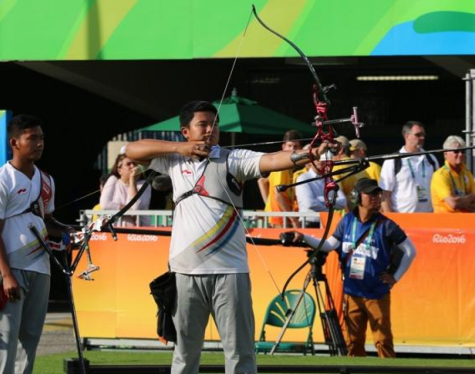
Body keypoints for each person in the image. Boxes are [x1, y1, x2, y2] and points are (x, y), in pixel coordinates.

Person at [125, 100, 336, 374]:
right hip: (185, 273)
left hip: (231, 273)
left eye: (214, 125)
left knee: (240, 354)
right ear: (185, 131)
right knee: (185, 354)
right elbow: (131, 149)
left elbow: (272, 160)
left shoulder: (232, 160)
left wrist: (309, 154)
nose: (210, 130)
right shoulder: (173, 160)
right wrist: (180, 148)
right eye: (202, 125)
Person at [0, 114, 73, 374]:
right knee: (6, 337)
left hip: (40, 266)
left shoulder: (47, 180)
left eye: (42, 138)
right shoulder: (0, 181)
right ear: (15, 142)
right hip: (9, 268)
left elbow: (47, 220)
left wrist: (68, 231)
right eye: (32, 138)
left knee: (30, 337)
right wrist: (7, 274)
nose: (39, 143)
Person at [286, 178, 416, 358]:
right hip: (352, 291)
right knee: (353, 342)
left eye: (378, 194)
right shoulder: (347, 221)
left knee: (383, 341)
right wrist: (303, 237)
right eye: (370, 194)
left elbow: (410, 250)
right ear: (357, 196)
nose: (376, 198)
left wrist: (395, 277)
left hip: (377, 293)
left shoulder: (386, 225)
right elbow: (329, 245)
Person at [380, 121, 439, 213]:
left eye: (423, 134)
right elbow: (385, 194)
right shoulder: (393, 160)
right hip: (403, 219)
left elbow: (438, 190)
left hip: (429, 219)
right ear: (407, 136)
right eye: (418, 135)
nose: (422, 138)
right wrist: (391, 220)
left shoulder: (431, 159)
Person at [257, 130, 303, 227]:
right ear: (283, 146)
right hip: (280, 220)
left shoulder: (285, 165)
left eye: (295, 146)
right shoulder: (283, 167)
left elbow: (262, 181)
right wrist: (293, 220)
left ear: (300, 149)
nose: (292, 150)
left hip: (278, 217)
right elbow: (278, 194)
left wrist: (268, 205)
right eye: (289, 146)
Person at [430, 135, 475, 213]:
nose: (460, 154)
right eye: (456, 151)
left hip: (465, 222)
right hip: (445, 223)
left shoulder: (467, 173)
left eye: (463, 151)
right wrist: (471, 197)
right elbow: (453, 204)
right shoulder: (440, 175)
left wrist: (460, 200)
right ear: (445, 154)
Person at [295, 153, 347, 228]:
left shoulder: (331, 180)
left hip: (327, 224)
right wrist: (330, 206)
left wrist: (320, 199)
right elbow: (310, 204)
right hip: (309, 224)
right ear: (310, 161)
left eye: (323, 158)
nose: (320, 161)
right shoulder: (303, 179)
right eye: (317, 158)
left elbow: (343, 202)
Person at [99, 153, 152, 226]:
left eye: (134, 164)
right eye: (128, 164)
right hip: (116, 228)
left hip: (139, 232)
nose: (132, 166)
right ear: (119, 170)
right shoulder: (113, 180)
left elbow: (136, 208)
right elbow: (105, 204)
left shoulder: (144, 185)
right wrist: (127, 209)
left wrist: (132, 181)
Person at [333, 135, 369, 208]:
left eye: (332, 149)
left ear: (341, 150)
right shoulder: (361, 168)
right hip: (360, 212)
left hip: (344, 215)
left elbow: (337, 196)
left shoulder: (336, 168)